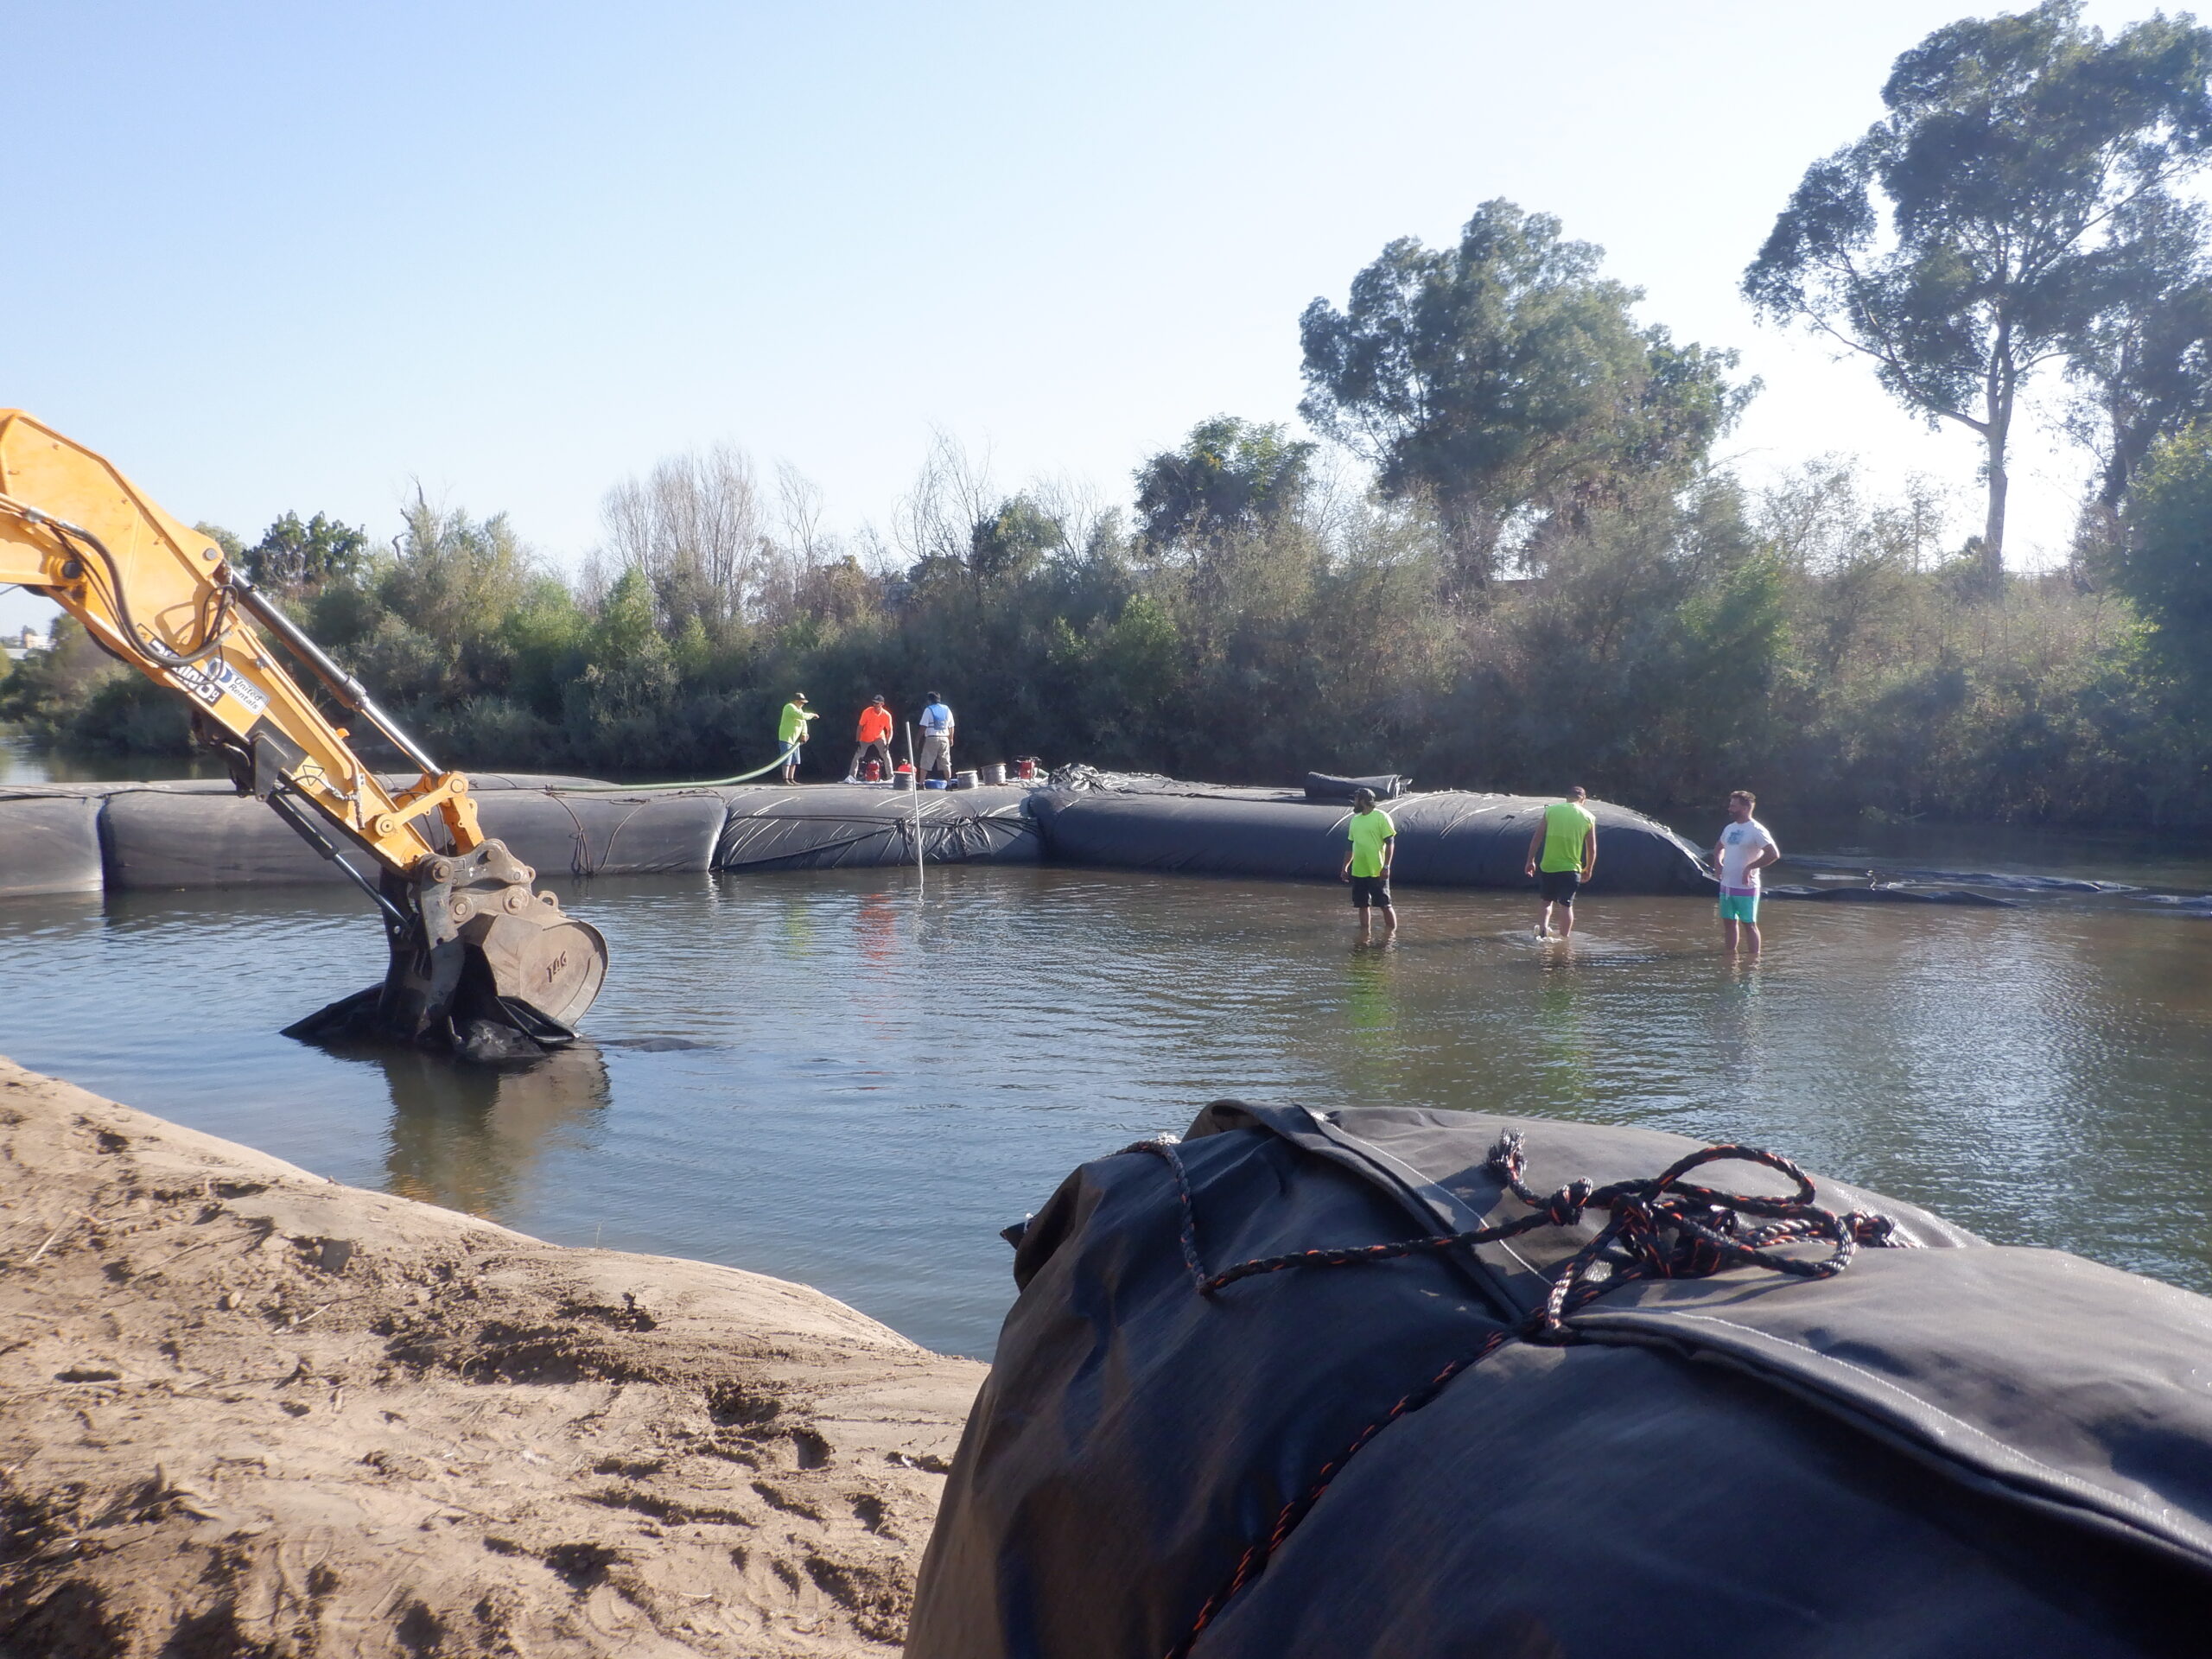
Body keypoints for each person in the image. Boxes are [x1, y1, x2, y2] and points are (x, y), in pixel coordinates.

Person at [1713, 789, 1781, 957]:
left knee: (1749, 924)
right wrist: (1718, 864)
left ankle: (1753, 961)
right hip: (1727, 885)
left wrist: (1750, 867)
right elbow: (1718, 848)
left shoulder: (1757, 830)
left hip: (1746, 887)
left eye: (1733, 806)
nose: (1729, 809)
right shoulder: (1729, 828)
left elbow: (1773, 854)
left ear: (1744, 808)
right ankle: (1730, 957)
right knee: (1728, 923)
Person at [1523, 786, 1597, 939]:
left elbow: (1537, 838)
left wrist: (1530, 860)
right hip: (1571, 868)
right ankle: (1564, 940)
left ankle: (1543, 932)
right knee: (1566, 905)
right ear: (1583, 800)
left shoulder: (1551, 811)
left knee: (1546, 902)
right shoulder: (1588, 817)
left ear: (1566, 797)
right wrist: (1588, 868)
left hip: (1549, 865)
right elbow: (1592, 848)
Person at [1339, 786, 1397, 940]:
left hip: (1377, 870)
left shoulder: (1381, 817)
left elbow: (1390, 843)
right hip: (1359, 870)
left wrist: (1386, 866)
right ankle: (1364, 937)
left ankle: (1391, 938)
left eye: (1356, 799)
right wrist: (1345, 867)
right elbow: (1350, 846)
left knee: (1385, 904)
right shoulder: (1355, 821)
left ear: (1363, 800)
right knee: (1362, 904)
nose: (1354, 802)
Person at [847, 695, 894, 784]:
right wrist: (857, 741)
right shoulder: (867, 712)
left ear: (882, 704)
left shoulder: (887, 715)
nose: (875, 705)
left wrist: (887, 743)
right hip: (865, 737)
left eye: (877, 703)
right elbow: (860, 726)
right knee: (858, 754)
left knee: (886, 755)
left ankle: (890, 777)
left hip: (879, 737)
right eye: (874, 703)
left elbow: (890, 731)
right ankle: (851, 776)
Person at [777, 692, 817, 785]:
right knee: (787, 758)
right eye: (801, 702)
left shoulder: (799, 710)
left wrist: (804, 734)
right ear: (796, 701)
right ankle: (785, 779)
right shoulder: (789, 707)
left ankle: (792, 779)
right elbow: (802, 716)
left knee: (795, 760)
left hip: (795, 740)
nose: (803, 704)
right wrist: (812, 715)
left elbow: (803, 723)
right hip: (786, 737)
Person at [918, 692, 956, 783]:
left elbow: (923, 726)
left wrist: (918, 739)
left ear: (929, 700)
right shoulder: (947, 709)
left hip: (932, 738)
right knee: (946, 762)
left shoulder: (928, 710)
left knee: (926, 761)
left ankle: (921, 783)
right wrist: (951, 738)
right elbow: (951, 726)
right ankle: (949, 783)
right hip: (944, 738)